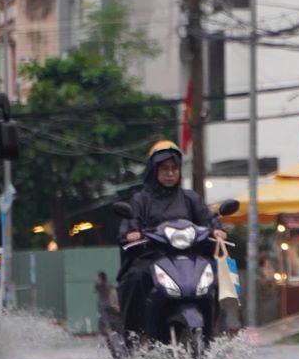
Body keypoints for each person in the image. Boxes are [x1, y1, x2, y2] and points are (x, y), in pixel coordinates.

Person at [117, 140, 226, 342]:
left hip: (189, 259)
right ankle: (132, 336)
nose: (170, 173)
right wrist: (133, 233)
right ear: (154, 170)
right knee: (136, 277)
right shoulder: (141, 200)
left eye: (174, 168)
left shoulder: (191, 198)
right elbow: (130, 223)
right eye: (165, 168)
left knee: (213, 280)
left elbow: (208, 219)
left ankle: (214, 332)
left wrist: (217, 231)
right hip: (152, 259)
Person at [93, 271, 119, 336]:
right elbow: (114, 293)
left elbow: (93, 291)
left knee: (105, 319)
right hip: (109, 303)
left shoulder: (98, 284)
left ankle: (109, 332)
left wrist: (95, 282)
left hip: (102, 304)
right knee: (111, 318)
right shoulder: (109, 284)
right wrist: (115, 302)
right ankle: (112, 330)